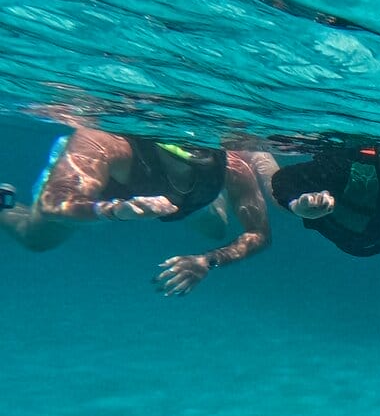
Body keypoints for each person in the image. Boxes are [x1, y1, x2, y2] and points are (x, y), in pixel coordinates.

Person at [0, 124, 270, 294]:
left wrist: (207, 261)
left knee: (216, 229)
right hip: (98, 196)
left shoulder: (231, 167)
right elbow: (54, 202)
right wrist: (113, 210)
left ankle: (201, 200)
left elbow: (259, 233)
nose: (196, 139)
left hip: (188, 202)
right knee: (36, 238)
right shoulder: (105, 143)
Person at [262, 133, 380, 305]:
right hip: (322, 221)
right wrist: (297, 206)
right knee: (279, 202)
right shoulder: (343, 166)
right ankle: (259, 159)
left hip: (375, 242)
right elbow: (282, 180)